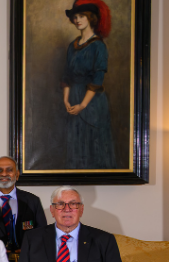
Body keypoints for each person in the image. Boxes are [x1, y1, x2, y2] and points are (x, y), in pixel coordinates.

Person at [62, 0, 116, 169]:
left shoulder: (98, 46)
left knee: (93, 142)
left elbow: (98, 79)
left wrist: (83, 105)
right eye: (75, 17)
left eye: (82, 16)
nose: (77, 20)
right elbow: (66, 76)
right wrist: (66, 101)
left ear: (91, 18)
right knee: (75, 142)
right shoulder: (73, 45)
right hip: (73, 100)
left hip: (92, 102)